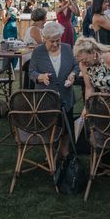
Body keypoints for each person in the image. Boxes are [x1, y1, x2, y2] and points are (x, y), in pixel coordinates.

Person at [29, 22, 79, 156]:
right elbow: (31, 72)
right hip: (46, 98)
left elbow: (76, 66)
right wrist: (40, 77)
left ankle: (65, 150)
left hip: (66, 95)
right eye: (52, 41)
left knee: (66, 125)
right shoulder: (38, 52)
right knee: (50, 127)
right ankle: (50, 153)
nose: (56, 44)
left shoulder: (68, 48)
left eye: (58, 40)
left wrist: (73, 74)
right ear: (44, 38)